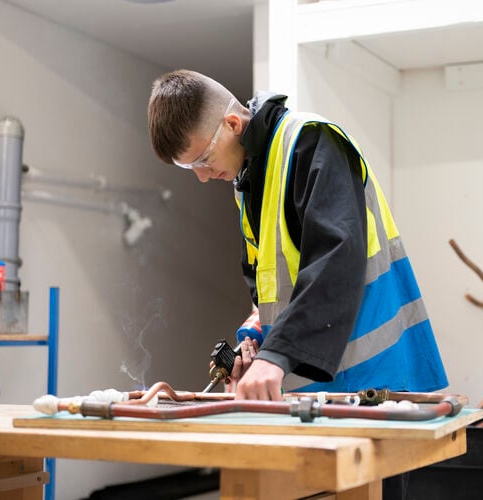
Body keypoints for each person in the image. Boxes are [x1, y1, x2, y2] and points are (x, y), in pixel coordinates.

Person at [147, 70, 447, 401]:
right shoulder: (249, 185)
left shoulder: (311, 142)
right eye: (191, 168)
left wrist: (276, 356)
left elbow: (336, 262)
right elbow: (279, 293)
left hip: (374, 381)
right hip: (328, 392)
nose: (203, 177)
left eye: (203, 160)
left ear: (232, 124)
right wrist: (257, 340)